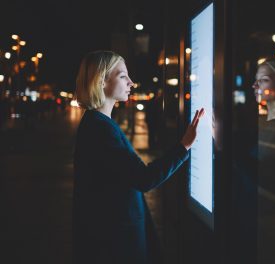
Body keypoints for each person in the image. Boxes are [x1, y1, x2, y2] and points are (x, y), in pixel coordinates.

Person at [72, 50, 204, 264]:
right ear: (102, 81)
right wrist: (184, 145)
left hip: (108, 237)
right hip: (115, 243)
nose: (131, 82)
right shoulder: (101, 129)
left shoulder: (97, 124)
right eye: (123, 76)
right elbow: (144, 178)